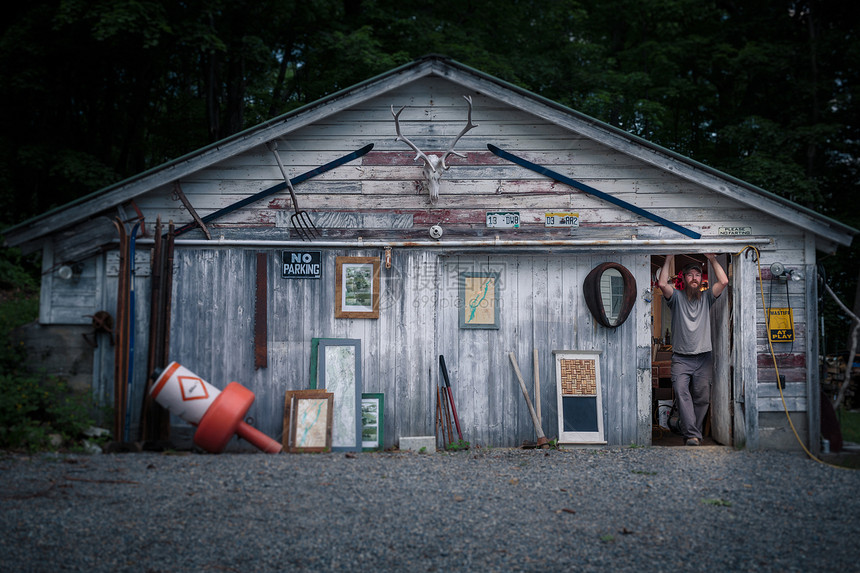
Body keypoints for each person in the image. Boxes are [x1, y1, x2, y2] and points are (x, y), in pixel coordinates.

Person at [657, 254, 729, 446]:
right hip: (681, 358)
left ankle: (692, 433)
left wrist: (713, 259)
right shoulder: (676, 298)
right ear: (684, 278)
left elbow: (724, 281)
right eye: (690, 275)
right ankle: (691, 435)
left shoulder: (707, 298)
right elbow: (663, 284)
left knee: (702, 398)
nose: (695, 278)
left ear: (701, 279)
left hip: (704, 358)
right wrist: (668, 259)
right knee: (682, 393)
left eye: (698, 274)